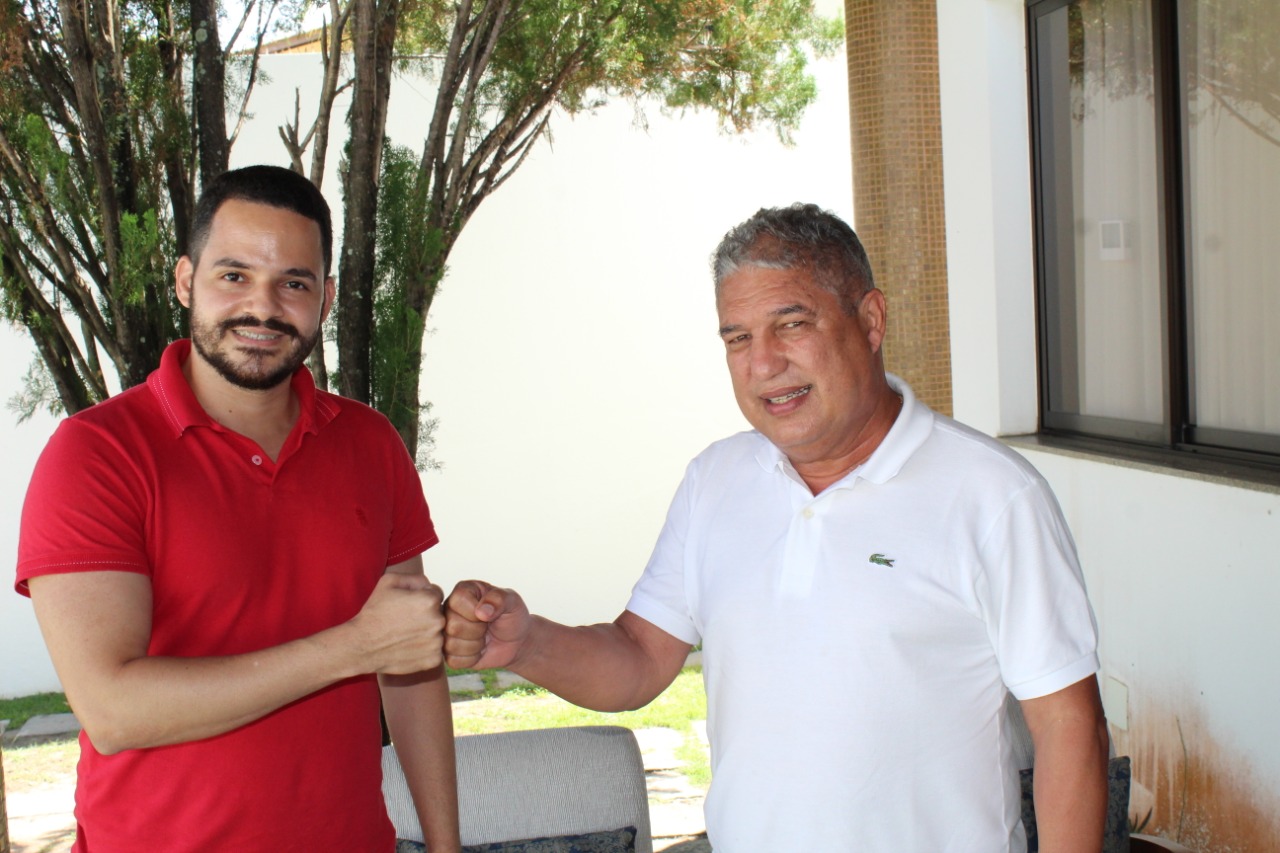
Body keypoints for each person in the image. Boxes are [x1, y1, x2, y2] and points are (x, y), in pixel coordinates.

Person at [444, 204, 1109, 852]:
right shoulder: (715, 481)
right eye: (737, 338)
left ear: (870, 321)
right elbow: (639, 659)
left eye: (791, 325)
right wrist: (527, 642)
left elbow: (1068, 726)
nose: (762, 364)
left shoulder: (992, 494)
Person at [15, 165, 460, 852]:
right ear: (186, 280)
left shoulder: (370, 444)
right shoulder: (96, 455)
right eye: (234, 275)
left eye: (294, 283)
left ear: (325, 298)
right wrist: (350, 648)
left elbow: (409, 667)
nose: (263, 306)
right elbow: (113, 709)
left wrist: (445, 846)